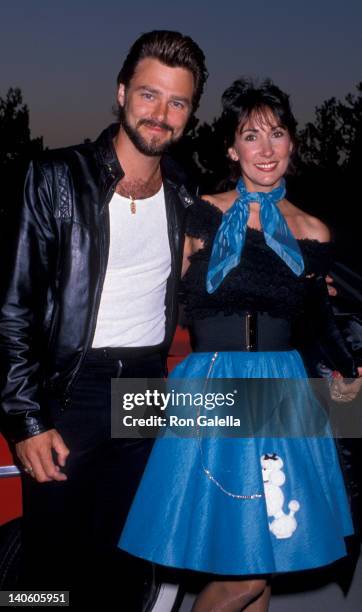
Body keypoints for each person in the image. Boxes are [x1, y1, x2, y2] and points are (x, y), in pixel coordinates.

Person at [119, 78, 360, 611]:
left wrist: (347, 371)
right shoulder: (201, 213)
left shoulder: (312, 231)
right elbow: (154, 296)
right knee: (247, 572)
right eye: (252, 136)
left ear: (292, 142)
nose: (266, 149)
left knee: (263, 567)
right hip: (213, 389)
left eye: (276, 134)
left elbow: (320, 318)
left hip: (283, 394)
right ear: (232, 148)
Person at [0, 30, 207, 608]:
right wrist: (25, 419)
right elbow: (12, 307)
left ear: (189, 113)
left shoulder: (187, 192)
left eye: (177, 102)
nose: (160, 114)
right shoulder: (54, 178)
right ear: (121, 93)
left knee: (126, 566)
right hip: (72, 389)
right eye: (149, 94)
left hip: (146, 388)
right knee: (47, 577)